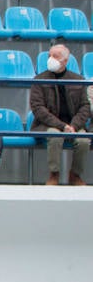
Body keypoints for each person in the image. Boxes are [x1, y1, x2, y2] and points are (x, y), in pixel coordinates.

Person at [30, 44, 90, 186]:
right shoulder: (39, 79)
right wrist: (62, 126)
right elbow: (38, 108)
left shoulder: (78, 80)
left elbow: (85, 107)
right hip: (48, 125)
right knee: (55, 135)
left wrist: (73, 125)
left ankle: (75, 175)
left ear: (65, 61)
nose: (51, 59)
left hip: (73, 124)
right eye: (49, 56)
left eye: (55, 56)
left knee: (83, 140)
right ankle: (54, 174)